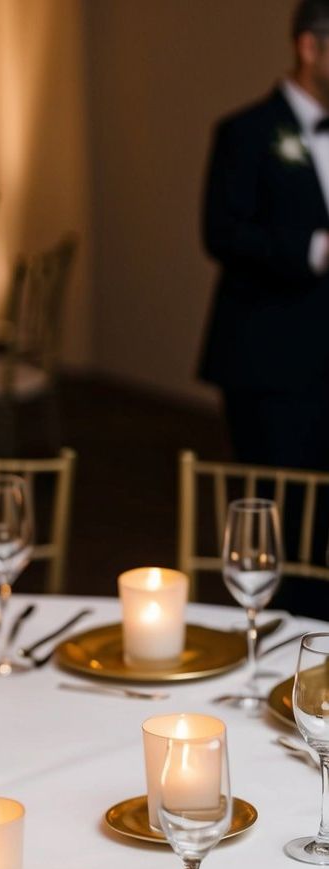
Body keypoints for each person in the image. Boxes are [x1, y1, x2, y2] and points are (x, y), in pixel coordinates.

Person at [199, 0, 329, 614]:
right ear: (309, 45)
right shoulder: (246, 131)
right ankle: (280, 640)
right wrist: (315, 248)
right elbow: (222, 233)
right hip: (271, 359)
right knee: (282, 513)